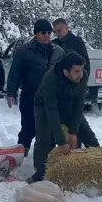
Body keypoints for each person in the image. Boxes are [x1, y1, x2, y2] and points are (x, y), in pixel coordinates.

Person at [6, 19, 65, 156]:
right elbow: (14, 74)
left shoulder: (58, 52)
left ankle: (47, 161)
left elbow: (64, 74)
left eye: (49, 33)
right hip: (30, 97)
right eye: (43, 32)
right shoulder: (24, 51)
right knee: (28, 129)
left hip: (51, 99)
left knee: (50, 132)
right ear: (35, 34)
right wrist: (11, 93)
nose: (47, 35)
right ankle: (20, 156)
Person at [28, 52, 88, 184]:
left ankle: (91, 168)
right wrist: (61, 142)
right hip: (44, 106)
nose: (81, 74)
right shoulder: (50, 78)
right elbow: (52, 111)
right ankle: (39, 175)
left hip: (68, 105)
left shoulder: (83, 76)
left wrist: (73, 131)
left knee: (87, 135)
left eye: (82, 70)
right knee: (44, 139)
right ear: (66, 72)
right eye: (77, 71)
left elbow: (79, 105)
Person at [52, 18, 99, 148]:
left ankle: (96, 153)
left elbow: (86, 66)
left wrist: (80, 81)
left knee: (81, 128)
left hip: (75, 89)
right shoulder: (55, 44)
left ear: (67, 27)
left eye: (60, 31)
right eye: (55, 32)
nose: (58, 34)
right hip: (59, 92)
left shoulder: (77, 42)